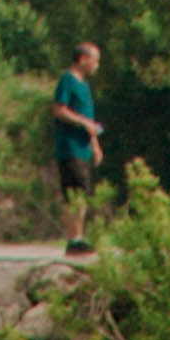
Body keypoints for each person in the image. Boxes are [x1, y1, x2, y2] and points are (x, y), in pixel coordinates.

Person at [51, 38, 108, 250]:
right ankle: (73, 238)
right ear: (82, 59)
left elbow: (89, 118)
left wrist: (94, 143)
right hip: (70, 146)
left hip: (83, 147)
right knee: (74, 193)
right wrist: (83, 123)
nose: (96, 65)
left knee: (82, 192)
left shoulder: (84, 85)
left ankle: (79, 235)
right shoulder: (67, 80)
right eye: (95, 60)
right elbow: (60, 109)